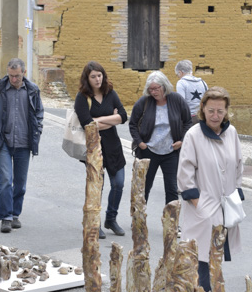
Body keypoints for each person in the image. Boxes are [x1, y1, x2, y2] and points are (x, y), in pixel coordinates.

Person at [177, 87, 244, 292]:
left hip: (226, 206)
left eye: (220, 111)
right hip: (203, 207)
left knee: (216, 258)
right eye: (211, 110)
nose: (215, 115)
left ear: (226, 112)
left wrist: (235, 194)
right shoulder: (194, 135)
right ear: (203, 109)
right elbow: (185, 173)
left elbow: (238, 164)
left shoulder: (231, 132)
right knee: (201, 260)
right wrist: (200, 207)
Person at [0, 58, 44, 233]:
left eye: (16, 76)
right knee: (6, 180)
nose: (13, 79)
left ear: (23, 72)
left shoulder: (32, 90)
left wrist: (38, 128)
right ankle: (6, 217)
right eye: (10, 75)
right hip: (4, 142)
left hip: (24, 143)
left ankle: (15, 214)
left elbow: (39, 112)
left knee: (20, 183)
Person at [75, 61, 128, 238]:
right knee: (97, 186)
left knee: (119, 183)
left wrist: (101, 120)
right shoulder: (82, 98)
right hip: (94, 148)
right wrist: (112, 118)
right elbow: (87, 123)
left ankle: (111, 219)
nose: (98, 79)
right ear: (87, 79)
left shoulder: (110, 93)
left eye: (100, 75)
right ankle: (94, 222)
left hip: (113, 146)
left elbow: (123, 116)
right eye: (93, 77)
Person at [129, 71, 192, 205]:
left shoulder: (176, 100)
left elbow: (188, 122)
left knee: (172, 189)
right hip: (149, 151)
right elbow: (133, 124)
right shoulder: (144, 102)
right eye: (151, 89)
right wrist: (140, 143)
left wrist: (182, 140)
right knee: (144, 187)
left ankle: (171, 223)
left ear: (164, 86)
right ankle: (138, 221)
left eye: (156, 88)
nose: (153, 92)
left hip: (171, 152)